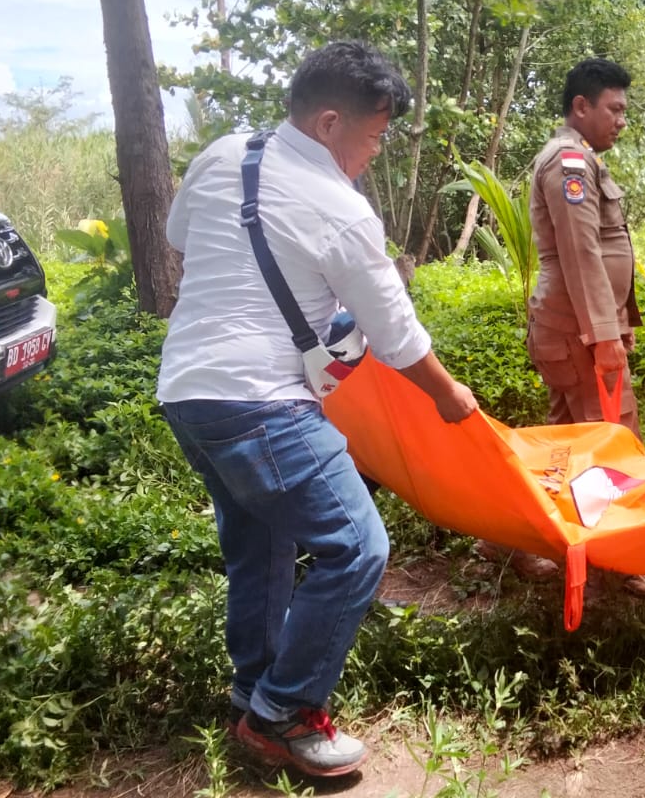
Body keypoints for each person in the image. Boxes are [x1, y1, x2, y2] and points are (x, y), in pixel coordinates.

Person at [158, 41, 478, 776]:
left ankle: (253, 690)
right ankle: (283, 715)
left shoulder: (224, 153)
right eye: (373, 136)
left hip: (188, 393)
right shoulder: (339, 207)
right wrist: (450, 396)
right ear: (330, 122)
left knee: (261, 546)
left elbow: (181, 237)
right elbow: (397, 335)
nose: (374, 151)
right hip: (261, 405)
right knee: (357, 547)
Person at [477, 58, 645, 598]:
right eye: (614, 109)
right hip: (577, 333)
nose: (621, 120)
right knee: (615, 439)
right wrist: (605, 336)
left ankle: (509, 536)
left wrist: (618, 323)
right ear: (581, 107)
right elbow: (582, 254)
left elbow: (602, 253)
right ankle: (625, 556)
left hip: (573, 328)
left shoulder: (580, 159)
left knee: (563, 445)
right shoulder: (569, 161)